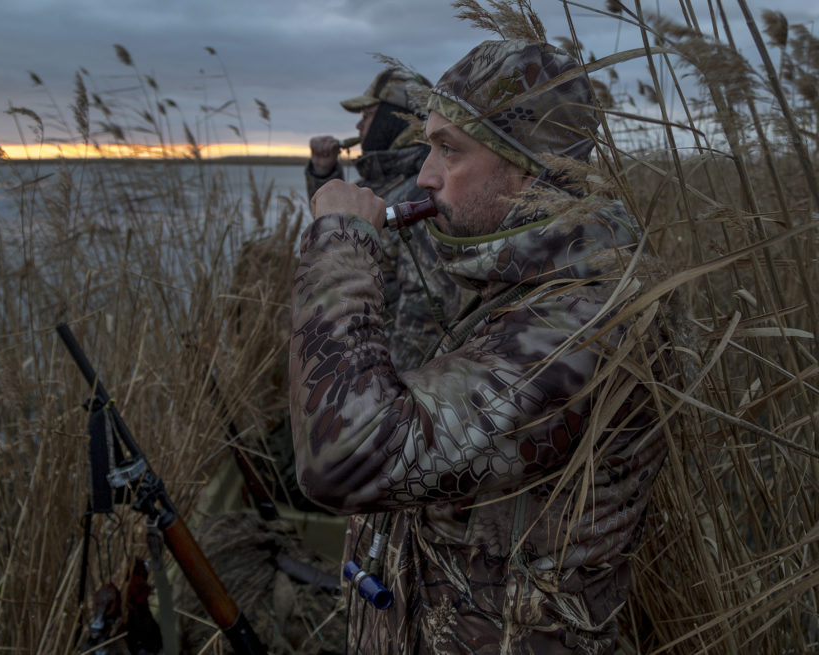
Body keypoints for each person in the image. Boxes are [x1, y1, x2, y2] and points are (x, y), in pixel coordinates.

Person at [289, 39, 677, 653]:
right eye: (428, 145)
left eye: (450, 149)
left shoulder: (585, 318)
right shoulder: (524, 281)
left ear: (530, 168)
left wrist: (340, 246)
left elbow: (343, 456)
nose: (425, 173)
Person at [306, 66, 460, 371]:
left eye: (368, 114)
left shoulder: (421, 192)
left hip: (379, 376)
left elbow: (426, 310)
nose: (359, 124)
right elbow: (333, 229)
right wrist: (323, 173)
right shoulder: (389, 182)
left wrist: (393, 387)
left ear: (395, 118)